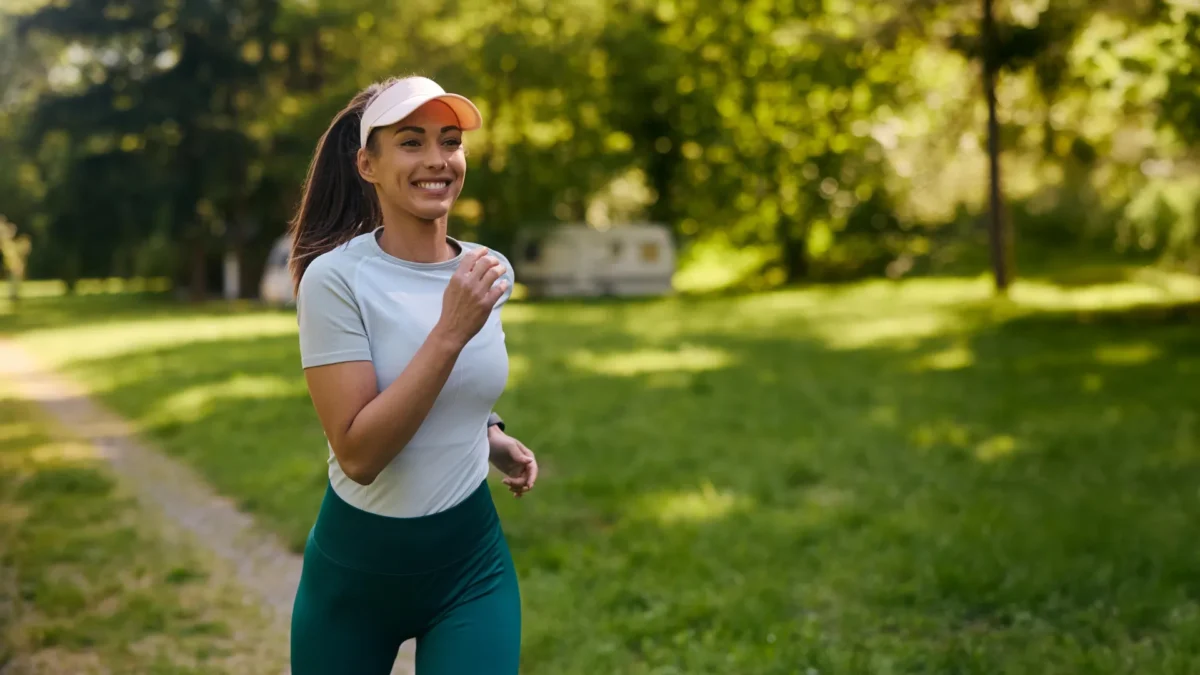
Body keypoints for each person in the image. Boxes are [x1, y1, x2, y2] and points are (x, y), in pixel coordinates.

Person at [285, 75, 538, 675]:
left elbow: (459, 390)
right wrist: (450, 330)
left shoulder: (487, 270)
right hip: (356, 578)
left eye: (450, 142)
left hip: (469, 567)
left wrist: (489, 436)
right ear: (367, 164)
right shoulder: (335, 280)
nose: (437, 160)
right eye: (411, 142)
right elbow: (360, 455)